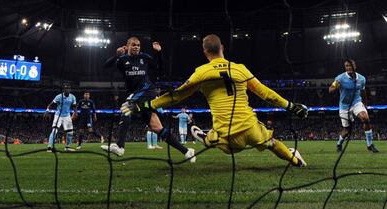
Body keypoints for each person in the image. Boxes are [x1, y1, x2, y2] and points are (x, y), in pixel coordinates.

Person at [121, 34, 308, 167]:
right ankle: (297, 161)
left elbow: (176, 96)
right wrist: (291, 106)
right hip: (250, 127)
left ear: (205, 52)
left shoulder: (202, 72)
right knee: (272, 143)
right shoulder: (240, 69)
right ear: (222, 48)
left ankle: (207, 138)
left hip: (226, 133)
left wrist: (145, 105)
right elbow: (265, 93)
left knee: (224, 147)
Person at [102, 36, 195, 162]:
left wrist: (159, 53)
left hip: (147, 91)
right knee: (157, 128)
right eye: (134, 45)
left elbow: (159, 68)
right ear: (127, 46)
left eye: (138, 45)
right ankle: (187, 151)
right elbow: (106, 66)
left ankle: (120, 146)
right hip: (135, 94)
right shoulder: (123, 60)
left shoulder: (144, 57)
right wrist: (116, 55)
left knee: (125, 108)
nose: (136, 47)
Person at [328, 59, 379, 153]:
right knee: (347, 131)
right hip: (344, 106)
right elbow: (330, 89)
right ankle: (339, 143)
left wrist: (365, 103)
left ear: (355, 66)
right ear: (345, 67)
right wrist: (335, 87)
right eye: (347, 66)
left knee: (365, 118)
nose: (349, 67)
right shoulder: (340, 78)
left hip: (356, 103)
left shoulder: (362, 78)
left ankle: (370, 144)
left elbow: (363, 92)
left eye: (351, 65)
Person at [44, 83, 77, 152]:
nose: (67, 90)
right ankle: (49, 147)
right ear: (64, 89)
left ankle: (67, 147)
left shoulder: (72, 97)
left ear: (70, 89)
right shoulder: (59, 96)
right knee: (54, 130)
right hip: (58, 115)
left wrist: (75, 113)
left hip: (67, 116)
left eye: (68, 88)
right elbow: (51, 104)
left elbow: (74, 106)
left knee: (70, 132)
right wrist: (47, 111)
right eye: (65, 88)